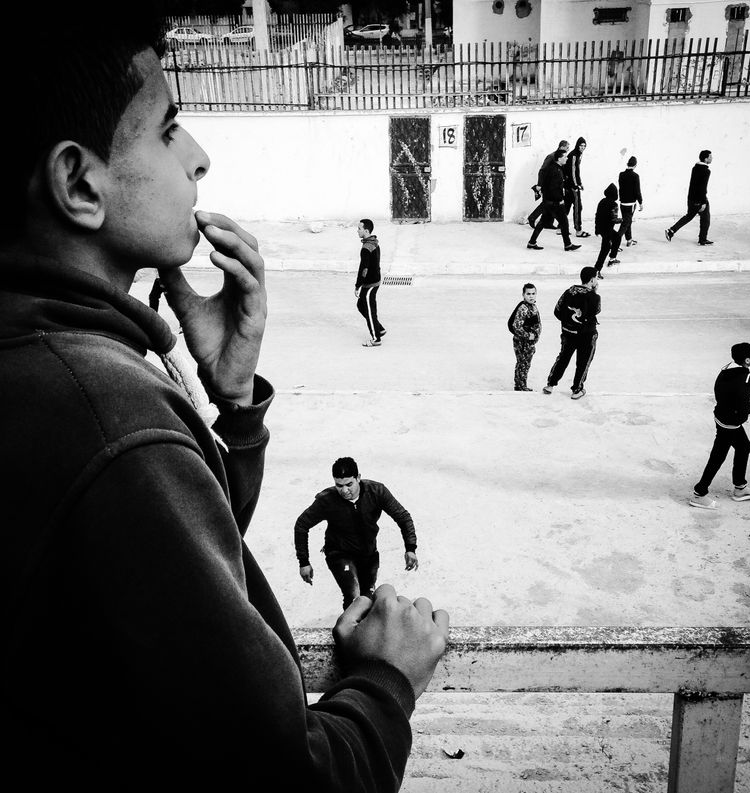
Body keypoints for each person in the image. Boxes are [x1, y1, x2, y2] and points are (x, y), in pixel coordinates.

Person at [0, 4, 449, 790]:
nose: (199, 157)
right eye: (170, 129)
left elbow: (154, 580)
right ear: (79, 183)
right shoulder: (106, 413)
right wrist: (385, 681)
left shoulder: (48, 354)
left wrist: (233, 404)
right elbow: (292, 778)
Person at [295, 458, 419, 609]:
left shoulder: (376, 491)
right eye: (339, 485)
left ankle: (361, 630)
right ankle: (348, 631)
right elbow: (301, 525)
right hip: (340, 554)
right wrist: (304, 562)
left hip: (369, 554)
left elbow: (403, 517)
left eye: (349, 484)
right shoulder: (327, 500)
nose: (345, 490)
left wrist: (410, 548)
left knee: (368, 600)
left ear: (358, 478)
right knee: (354, 597)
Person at [690, 343, 750, 509]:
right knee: (717, 457)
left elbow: (727, 393)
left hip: (722, 416)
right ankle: (699, 494)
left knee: (744, 447)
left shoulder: (727, 368)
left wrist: (748, 402)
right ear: (747, 359)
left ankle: (740, 487)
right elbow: (742, 406)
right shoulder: (743, 377)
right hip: (730, 423)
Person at [542, 266, 601, 400]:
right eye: (596, 278)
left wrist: (568, 322)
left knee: (563, 358)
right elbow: (596, 311)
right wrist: (594, 292)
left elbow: (557, 311)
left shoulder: (569, 292)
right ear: (592, 280)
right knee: (583, 362)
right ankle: (577, 389)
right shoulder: (594, 297)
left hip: (568, 332)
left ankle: (550, 384)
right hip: (586, 335)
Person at [527, 150, 581, 252]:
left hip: (548, 202)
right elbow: (553, 188)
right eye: (565, 156)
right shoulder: (556, 171)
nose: (567, 158)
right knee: (564, 223)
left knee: (543, 222)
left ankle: (532, 242)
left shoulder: (554, 168)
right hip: (555, 202)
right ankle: (568, 245)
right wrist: (560, 200)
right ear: (559, 158)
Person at [665, 149, 714, 245]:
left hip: (691, 199)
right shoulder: (706, 171)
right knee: (706, 219)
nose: (712, 158)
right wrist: (703, 202)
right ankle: (702, 240)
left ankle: (671, 231)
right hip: (700, 200)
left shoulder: (695, 168)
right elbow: (702, 187)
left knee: (688, 216)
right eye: (710, 157)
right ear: (706, 158)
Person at [356, 217, 386, 347]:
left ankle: (376, 338)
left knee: (369, 310)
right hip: (374, 280)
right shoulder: (374, 242)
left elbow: (364, 268)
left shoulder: (366, 248)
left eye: (359, 229)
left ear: (366, 231)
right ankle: (379, 328)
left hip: (371, 283)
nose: (357, 231)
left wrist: (358, 285)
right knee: (361, 305)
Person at [527, 139, 569, 231]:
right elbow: (542, 171)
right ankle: (532, 218)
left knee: (549, 204)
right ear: (561, 147)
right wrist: (539, 185)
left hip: (554, 184)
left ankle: (548, 223)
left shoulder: (560, 157)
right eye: (567, 148)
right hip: (548, 185)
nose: (568, 150)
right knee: (546, 204)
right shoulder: (551, 156)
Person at [509, 282, 542, 391]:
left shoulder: (533, 307)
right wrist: (528, 336)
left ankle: (520, 385)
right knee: (523, 363)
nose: (531, 296)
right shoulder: (523, 308)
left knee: (525, 363)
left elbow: (537, 323)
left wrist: (536, 335)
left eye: (533, 293)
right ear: (523, 295)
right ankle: (520, 386)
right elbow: (516, 326)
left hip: (529, 342)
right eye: (528, 294)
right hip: (522, 341)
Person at [594, 183, 623, 278]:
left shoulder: (602, 201)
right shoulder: (614, 204)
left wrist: (597, 229)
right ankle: (597, 270)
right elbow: (614, 219)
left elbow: (597, 215)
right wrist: (622, 220)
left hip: (601, 228)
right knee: (605, 249)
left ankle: (612, 258)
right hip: (608, 229)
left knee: (617, 238)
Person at [563, 137, 590, 238]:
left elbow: (577, 171)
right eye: (581, 146)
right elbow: (572, 172)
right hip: (571, 185)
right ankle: (578, 230)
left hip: (570, 184)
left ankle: (560, 227)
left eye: (584, 146)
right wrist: (575, 185)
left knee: (567, 206)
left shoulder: (578, 154)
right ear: (577, 145)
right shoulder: (574, 155)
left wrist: (580, 183)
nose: (583, 147)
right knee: (578, 207)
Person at [618, 156, 643, 246]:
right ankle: (615, 241)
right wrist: (640, 202)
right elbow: (637, 191)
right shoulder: (635, 176)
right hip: (631, 204)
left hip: (622, 203)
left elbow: (620, 189)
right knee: (626, 223)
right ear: (635, 165)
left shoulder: (621, 174)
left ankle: (629, 240)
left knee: (627, 221)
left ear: (627, 164)